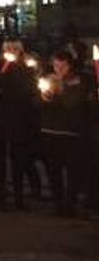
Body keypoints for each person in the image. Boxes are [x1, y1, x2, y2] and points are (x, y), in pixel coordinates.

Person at [0, 40, 37, 211]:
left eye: (15, 49)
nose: (11, 52)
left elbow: (30, 93)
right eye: (8, 49)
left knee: (19, 161)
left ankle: (19, 198)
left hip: (19, 121)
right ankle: (0, 197)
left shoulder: (26, 69)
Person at [39, 50, 90, 217]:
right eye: (56, 65)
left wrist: (59, 91)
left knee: (72, 171)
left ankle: (70, 204)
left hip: (70, 132)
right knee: (54, 171)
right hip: (50, 131)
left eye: (62, 66)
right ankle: (58, 204)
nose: (58, 69)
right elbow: (37, 103)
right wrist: (43, 97)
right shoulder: (47, 79)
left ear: (69, 66)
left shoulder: (78, 82)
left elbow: (73, 104)